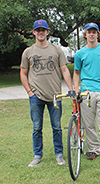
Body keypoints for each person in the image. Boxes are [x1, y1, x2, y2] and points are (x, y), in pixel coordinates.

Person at [20, 19, 73, 167]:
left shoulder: (56, 50)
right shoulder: (28, 52)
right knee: (37, 127)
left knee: (56, 127)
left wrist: (70, 89)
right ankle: (37, 155)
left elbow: (64, 70)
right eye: (38, 30)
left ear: (48, 32)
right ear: (34, 32)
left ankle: (59, 155)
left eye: (43, 30)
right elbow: (23, 73)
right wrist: (30, 92)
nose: (41, 32)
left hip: (55, 96)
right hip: (36, 96)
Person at [73, 23, 100, 165]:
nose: (91, 34)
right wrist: (76, 88)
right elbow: (76, 72)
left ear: (98, 34)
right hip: (86, 92)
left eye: (94, 32)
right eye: (89, 32)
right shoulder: (80, 53)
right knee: (89, 124)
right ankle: (93, 150)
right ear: (85, 35)